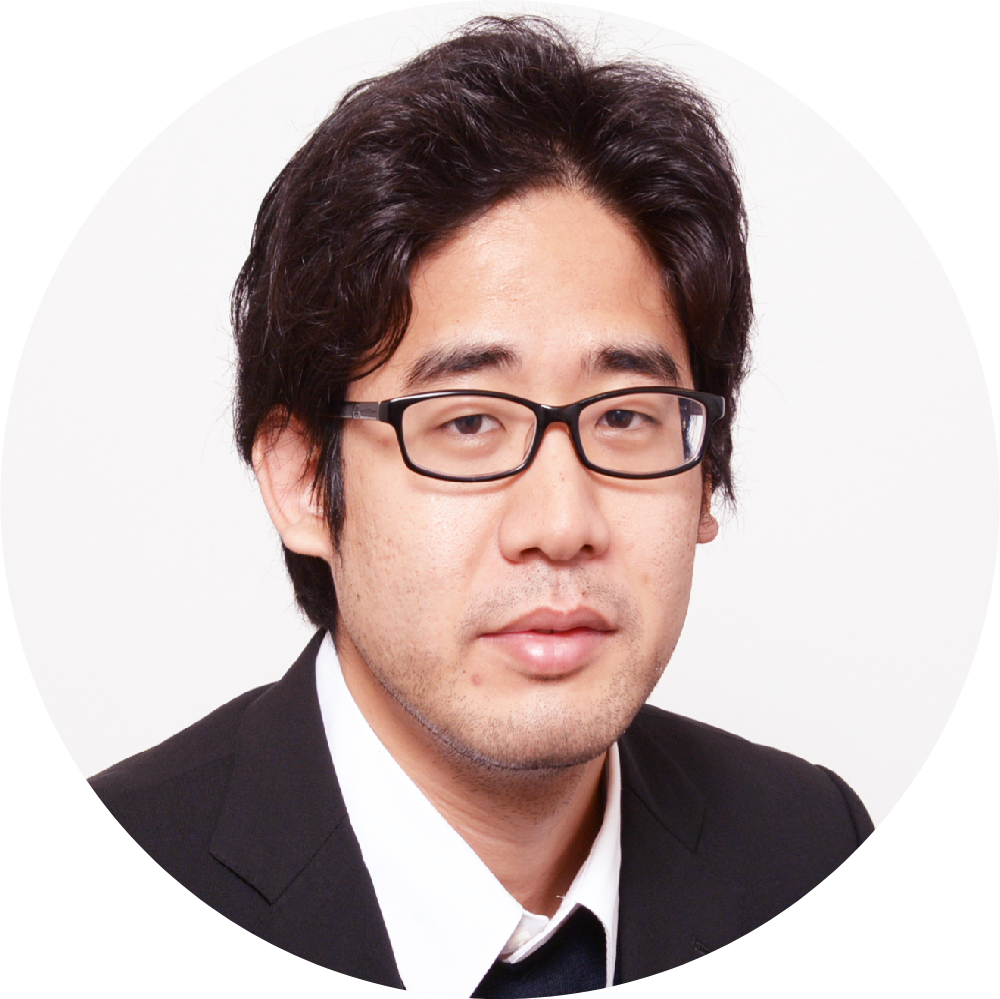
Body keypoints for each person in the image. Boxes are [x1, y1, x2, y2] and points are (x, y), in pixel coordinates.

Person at [89, 17, 872, 990]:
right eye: (467, 422)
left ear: (706, 472)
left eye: (625, 416)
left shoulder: (809, 843)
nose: (561, 524)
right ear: (304, 482)